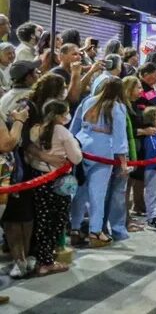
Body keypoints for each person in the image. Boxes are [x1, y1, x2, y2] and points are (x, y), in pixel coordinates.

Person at [69, 77, 129, 247]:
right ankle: (95, 231)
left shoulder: (88, 101)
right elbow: (120, 137)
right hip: (103, 149)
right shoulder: (118, 107)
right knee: (98, 193)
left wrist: (70, 144)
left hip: (82, 146)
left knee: (79, 191)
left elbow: (75, 125)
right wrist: (123, 162)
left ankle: (74, 228)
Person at [24, 100, 78, 276]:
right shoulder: (62, 132)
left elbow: (29, 149)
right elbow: (76, 157)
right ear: (60, 115)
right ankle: (46, 261)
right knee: (55, 221)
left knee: (41, 219)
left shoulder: (36, 129)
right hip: (56, 180)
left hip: (38, 178)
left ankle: (41, 257)